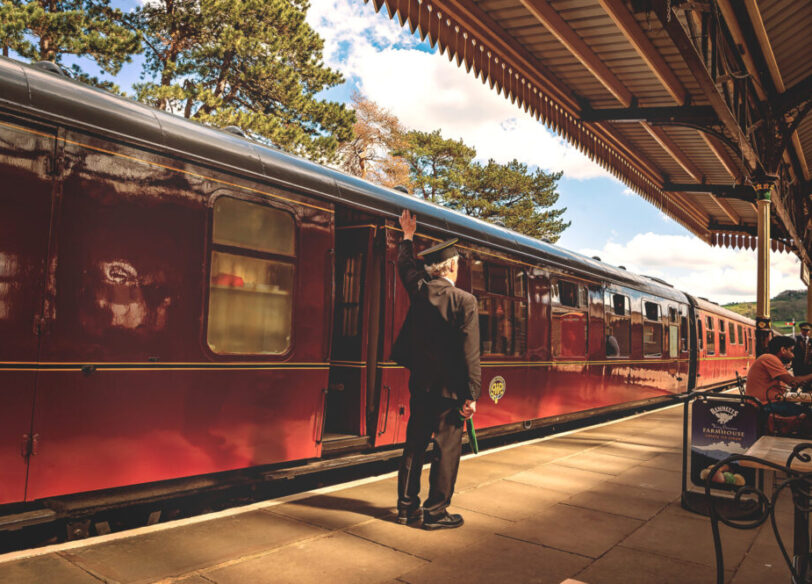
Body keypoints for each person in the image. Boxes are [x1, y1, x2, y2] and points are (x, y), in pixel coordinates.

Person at [391, 209, 481, 530]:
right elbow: (471, 353)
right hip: (451, 390)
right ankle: (435, 512)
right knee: (446, 449)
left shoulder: (419, 291)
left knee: (414, 444)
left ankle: (406, 507)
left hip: (422, 385)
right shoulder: (465, 301)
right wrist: (471, 396)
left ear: (432, 269)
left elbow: (405, 265)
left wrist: (407, 237)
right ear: (453, 267)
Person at [746, 336, 812, 406]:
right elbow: (792, 382)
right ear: (783, 350)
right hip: (765, 404)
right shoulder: (769, 358)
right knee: (807, 412)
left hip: (769, 402)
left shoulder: (771, 359)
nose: (793, 356)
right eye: (791, 351)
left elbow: (793, 383)